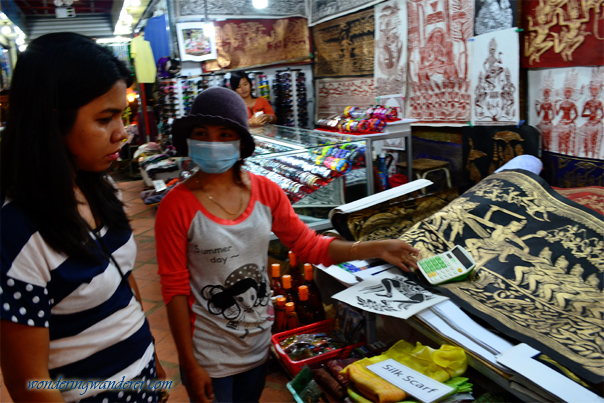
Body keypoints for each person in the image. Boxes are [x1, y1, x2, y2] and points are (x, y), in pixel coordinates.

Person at [155, 87, 420, 403]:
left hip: (257, 343)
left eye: (225, 134)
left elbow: (311, 246)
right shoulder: (176, 206)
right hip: (208, 352)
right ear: (189, 139)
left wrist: (374, 248)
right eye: (202, 133)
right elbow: (175, 289)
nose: (213, 143)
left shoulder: (267, 193)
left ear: (240, 141)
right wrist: (188, 360)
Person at [0, 33, 165, 402]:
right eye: (105, 119)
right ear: (52, 121)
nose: (121, 133)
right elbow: (28, 382)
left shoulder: (100, 187)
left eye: (121, 115)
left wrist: (150, 363)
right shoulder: (16, 231)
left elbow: (122, 278)